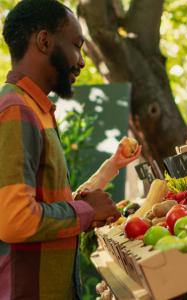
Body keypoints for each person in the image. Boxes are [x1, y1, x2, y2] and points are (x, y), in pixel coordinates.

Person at [0, 1, 132, 299]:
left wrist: (92, 197)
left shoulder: (36, 109)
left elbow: (38, 205)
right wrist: (86, 211)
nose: (82, 61)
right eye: (76, 45)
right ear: (44, 41)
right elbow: (14, 220)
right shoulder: (16, 110)